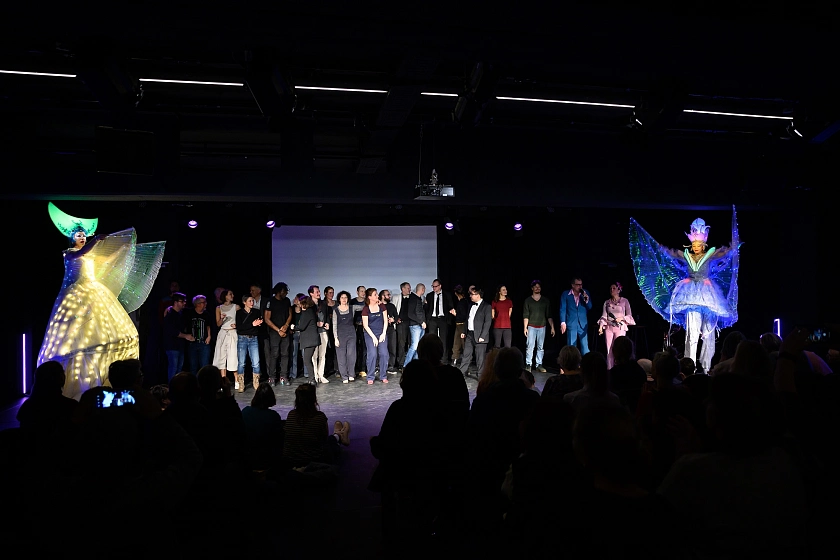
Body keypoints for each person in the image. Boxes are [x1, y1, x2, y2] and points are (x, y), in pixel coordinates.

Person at [38, 202, 165, 399]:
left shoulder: (90, 254)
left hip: (93, 291)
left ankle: (104, 378)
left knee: (105, 330)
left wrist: (122, 250)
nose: (82, 237)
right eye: (78, 235)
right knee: (75, 334)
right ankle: (75, 383)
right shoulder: (69, 253)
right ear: (72, 238)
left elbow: (105, 260)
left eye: (83, 235)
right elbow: (81, 253)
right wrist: (96, 241)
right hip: (76, 294)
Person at [630, 207, 741, 372]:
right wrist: (658, 247)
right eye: (694, 244)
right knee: (691, 332)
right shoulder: (687, 255)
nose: (695, 247)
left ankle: (706, 367)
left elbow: (724, 254)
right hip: (689, 294)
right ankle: (690, 366)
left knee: (709, 332)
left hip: (708, 294)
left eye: (698, 244)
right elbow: (671, 254)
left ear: (703, 244)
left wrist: (733, 247)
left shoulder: (709, 254)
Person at [597, 282, 635, 369]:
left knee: (620, 348)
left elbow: (629, 315)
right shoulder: (607, 302)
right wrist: (601, 327)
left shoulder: (624, 301)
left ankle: (621, 368)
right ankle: (610, 369)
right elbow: (604, 316)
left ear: (619, 290)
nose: (612, 290)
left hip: (620, 327)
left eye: (614, 288)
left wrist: (621, 318)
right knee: (609, 350)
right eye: (610, 288)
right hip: (609, 328)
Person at [460, 286, 493, 378]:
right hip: (470, 334)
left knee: (480, 358)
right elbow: (467, 319)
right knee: (466, 354)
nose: (470, 296)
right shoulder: (470, 305)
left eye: (472, 294)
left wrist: (483, 336)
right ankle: (461, 373)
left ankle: (480, 376)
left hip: (480, 336)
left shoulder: (487, 306)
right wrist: (464, 331)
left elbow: (488, 322)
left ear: (478, 295)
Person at [263, 282, 292, 386]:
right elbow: (267, 318)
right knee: (274, 354)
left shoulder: (287, 301)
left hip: (285, 331)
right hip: (275, 332)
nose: (286, 293)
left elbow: (290, 314)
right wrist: (278, 330)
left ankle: (283, 376)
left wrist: (286, 325)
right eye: (285, 291)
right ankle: (272, 377)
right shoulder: (270, 301)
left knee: (285, 354)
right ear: (281, 291)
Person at [523, 280, 555, 372]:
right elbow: (526, 315)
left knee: (540, 347)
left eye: (539, 286)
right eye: (535, 287)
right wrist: (525, 327)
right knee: (530, 346)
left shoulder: (545, 301)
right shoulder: (528, 301)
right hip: (531, 326)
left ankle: (539, 364)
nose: (537, 288)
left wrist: (552, 327)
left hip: (542, 326)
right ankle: (528, 364)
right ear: (532, 288)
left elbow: (549, 315)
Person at [162, 293, 195, 380]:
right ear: (175, 302)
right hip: (172, 345)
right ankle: (172, 386)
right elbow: (172, 331)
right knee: (173, 367)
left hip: (180, 345)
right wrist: (185, 336)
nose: (184, 303)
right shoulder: (170, 315)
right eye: (182, 301)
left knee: (179, 368)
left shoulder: (181, 313)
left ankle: (176, 385)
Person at [362, 288, 391, 384]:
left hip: (381, 332)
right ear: (369, 297)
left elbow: (385, 321)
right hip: (370, 334)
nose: (377, 296)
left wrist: (383, 333)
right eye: (375, 294)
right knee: (372, 354)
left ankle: (383, 375)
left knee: (384, 353)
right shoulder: (366, 309)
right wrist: (374, 337)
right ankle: (370, 376)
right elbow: (365, 325)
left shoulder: (382, 306)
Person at [236, 295, 264, 390]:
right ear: (244, 302)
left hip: (253, 338)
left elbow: (258, 325)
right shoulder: (239, 313)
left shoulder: (256, 312)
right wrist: (252, 324)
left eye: (253, 301)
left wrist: (259, 323)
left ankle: (256, 382)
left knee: (256, 362)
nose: (252, 303)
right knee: (241, 363)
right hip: (242, 339)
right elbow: (239, 328)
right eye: (250, 301)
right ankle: (241, 384)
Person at [213, 289, 240, 390]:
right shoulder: (218, 308)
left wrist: (237, 325)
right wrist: (222, 318)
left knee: (233, 356)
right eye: (230, 294)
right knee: (221, 357)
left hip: (232, 333)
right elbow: (218, 324)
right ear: (225, 296)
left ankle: (237, 380)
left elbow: (241, 320)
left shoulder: (236, 307)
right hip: (223, 333)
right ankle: (223, 382)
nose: (232, 295)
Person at [559, 276, 593, 356]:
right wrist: (563, 322)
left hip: (582, 324)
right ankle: (572, 362)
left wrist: (586, 300)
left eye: (581, 284)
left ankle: (586, 361)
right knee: (571, 346)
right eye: (578, 285)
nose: (580, 287)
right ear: (573, 285)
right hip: (571, 323)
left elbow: (590, 307)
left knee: (585, 346)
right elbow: (563, 309)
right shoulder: (566, 294)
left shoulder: (585, 293)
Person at [332, 291, 357, 383]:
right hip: (340, 335)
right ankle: (344, 376)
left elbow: (364, 307)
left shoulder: (352, 308)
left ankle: (351, 374)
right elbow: (334, 325)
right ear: (339, 299)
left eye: (345, 297)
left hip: (351, 334)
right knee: (341, 356)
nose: (344, 299)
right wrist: (335, 338)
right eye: (342, 297)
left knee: (351, 354)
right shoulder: (335, 310)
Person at [185, 294, 213, 375]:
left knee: (204, 366)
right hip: (192, 344)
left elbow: (208, 326)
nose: (206, 304)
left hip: (203, 343)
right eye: (204, 302)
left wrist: (209, 336)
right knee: (193, 366)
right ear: (197, 304)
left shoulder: (206, 314)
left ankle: (203, 382)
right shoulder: (189, 313)